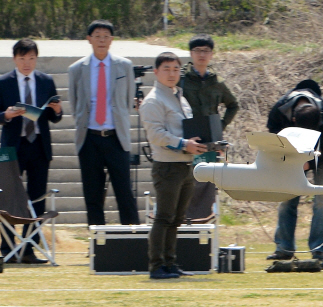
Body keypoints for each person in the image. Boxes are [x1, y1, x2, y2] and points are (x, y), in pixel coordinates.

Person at [139, 52, 207, 279]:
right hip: (167, 166)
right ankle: (156, 265)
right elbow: (156, 135)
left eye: (176, 69)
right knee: (164, 217)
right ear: (156, 72)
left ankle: (170, 264)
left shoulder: (179, 96)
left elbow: (185, 129)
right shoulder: (153, 100)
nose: (171, 73)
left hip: (185, 165)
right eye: (166, 69)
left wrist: (203, 143)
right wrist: (182, 144)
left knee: (177, 218)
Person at [68, 19, 140, 226]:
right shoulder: (76, 69)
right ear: (89, 39)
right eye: (97, 36)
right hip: (89, 138)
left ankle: (132, 239)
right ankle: (97, 244)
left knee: (124, 192)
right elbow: (74, 104)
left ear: (112, 40)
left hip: (116, 138)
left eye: (105, 36)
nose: (101, 40)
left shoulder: (124, 66)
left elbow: (127, 101)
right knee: (92, 195)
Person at [0, 38, 63, 264]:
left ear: (37, 59)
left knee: (37, 199)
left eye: (31, 58)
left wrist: (57, 110)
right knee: (8, 199)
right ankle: (7, 247)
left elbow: (55, 117)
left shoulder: (46, 81)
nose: (27, 63)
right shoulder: (3, 82)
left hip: (38, 146)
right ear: (15, 59)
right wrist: (6, 116)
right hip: (11, 148)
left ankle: (30, 249)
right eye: (22, 58)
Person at [266, 79, 323, 261]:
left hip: (322, 155)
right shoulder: (279, 112)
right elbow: (273, 140)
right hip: (289, 152)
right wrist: (292, 160)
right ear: (292, 120)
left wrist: (310, 161)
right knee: (286, 197)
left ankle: (319, 248)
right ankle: (284, 247)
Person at [178, 34, 238, 130]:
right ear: (191, 53)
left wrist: (222, 125)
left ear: (211, 54)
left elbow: (233, 105)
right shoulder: (181, 79)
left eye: (206, 51)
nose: (202, 55)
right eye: (197, 50)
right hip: (187, 133)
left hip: (211, 133)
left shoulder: (217, 82)